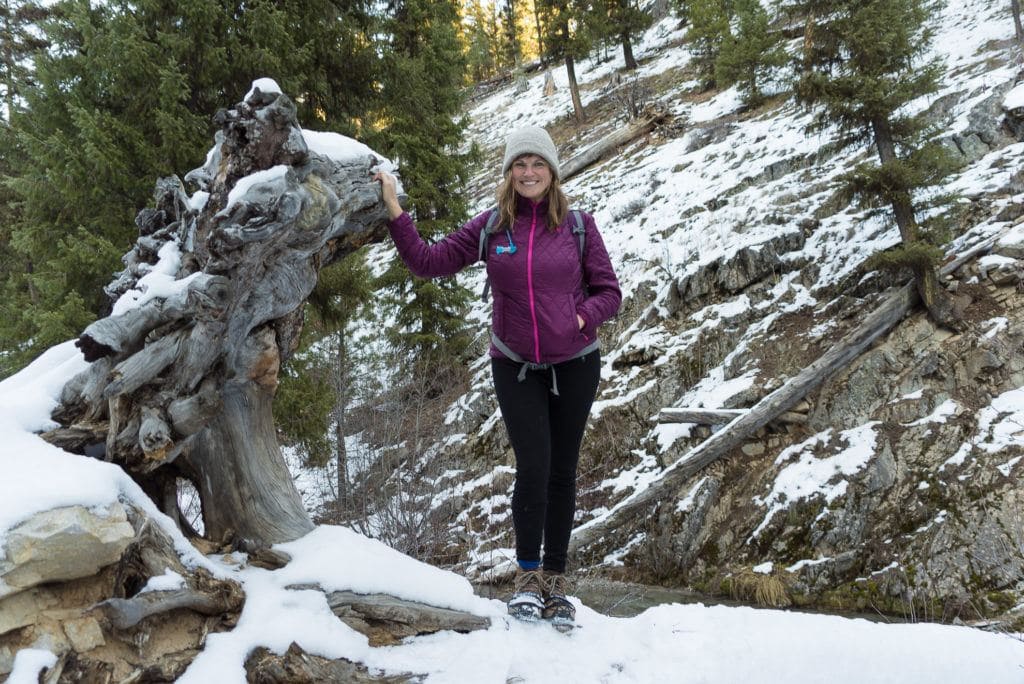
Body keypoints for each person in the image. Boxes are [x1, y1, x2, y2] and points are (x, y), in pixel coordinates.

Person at [373, 125, 621, 627]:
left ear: (552, 172)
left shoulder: (578, 226)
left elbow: (609, 293)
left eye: (537, 164)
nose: (528, 172)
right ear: (508, 174)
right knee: (533, 468)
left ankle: (556, 585)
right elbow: (429, 262)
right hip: (515, 365)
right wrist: (396, 210)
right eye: (518, 165)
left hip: (575, 365)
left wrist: (579, 317)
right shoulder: (493, 228)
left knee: (561, 473)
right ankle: (527, 579)